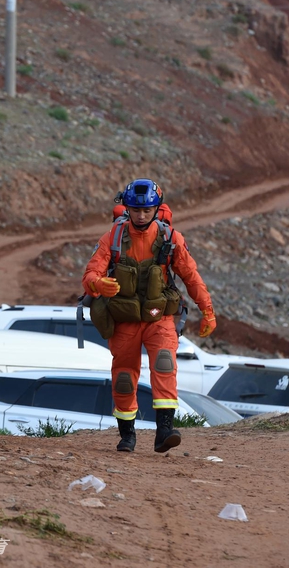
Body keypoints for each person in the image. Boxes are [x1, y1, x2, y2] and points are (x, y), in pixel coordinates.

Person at [82, 178, 217, 454]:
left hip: (159, 318)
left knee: (165, 365)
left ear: (157, 209)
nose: (141, 215)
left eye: (147, 210)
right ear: (127, 209)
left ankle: (164, 431)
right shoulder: (113, 237)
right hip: (125, 319)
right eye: (136, 210)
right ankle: (127, 435)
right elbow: (90, 273)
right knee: (123, 377)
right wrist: (98, 284)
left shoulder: (170, 239)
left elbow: (191, 277)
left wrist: (207, 310)